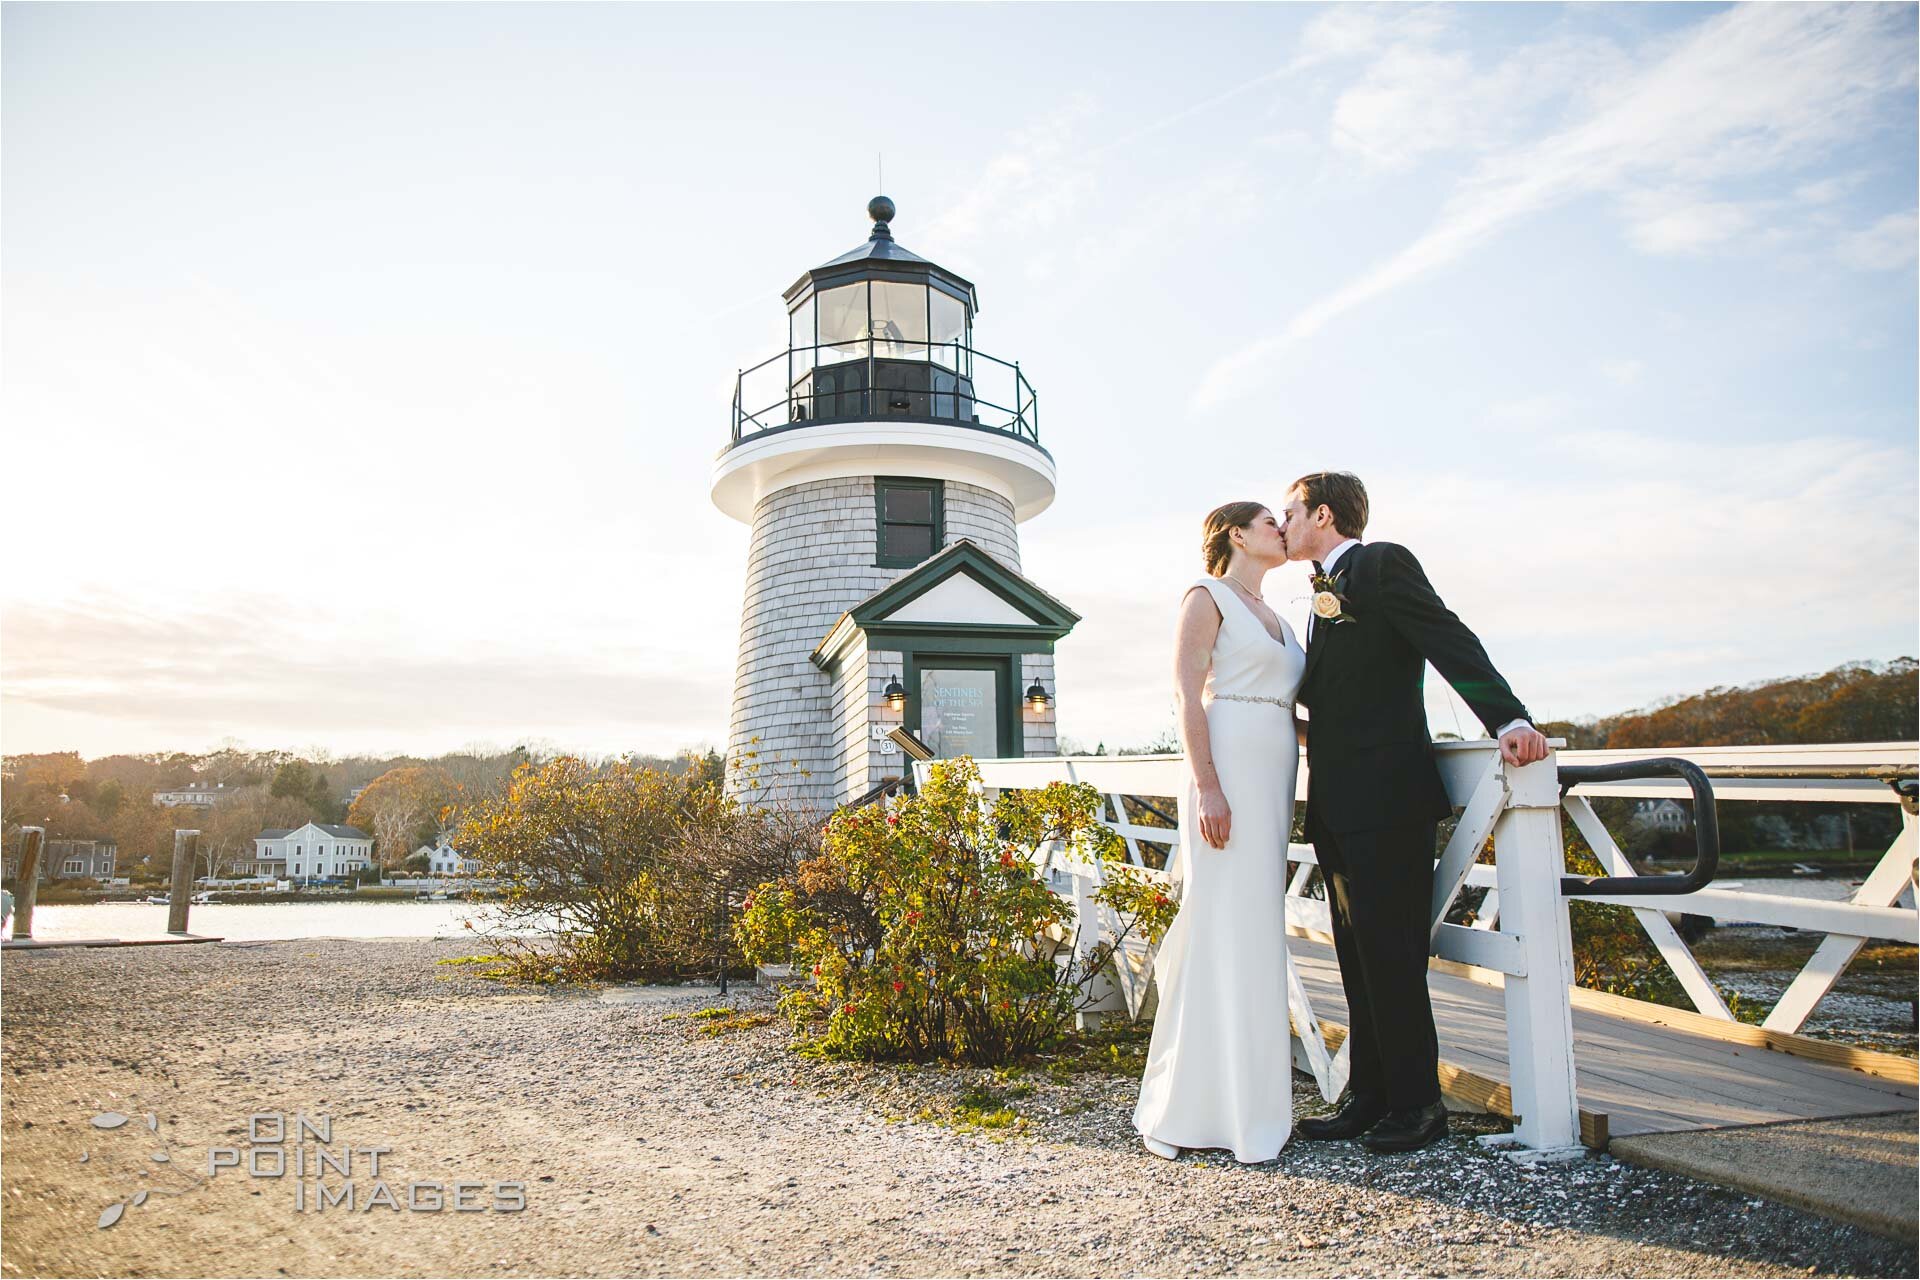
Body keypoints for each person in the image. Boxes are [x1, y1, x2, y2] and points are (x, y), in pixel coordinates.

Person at [1281, 471, 1549, 1154]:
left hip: (1388, 797)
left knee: (1393, 957)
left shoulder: (1380, 563)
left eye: (1289, 513)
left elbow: (1444, 635)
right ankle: (1369, 1097)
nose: (1282, 525)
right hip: (1339, 802)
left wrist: (1508, 718)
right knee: (1356, 957)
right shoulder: (1321, 593)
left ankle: (1419, 1104)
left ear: (1322, 514)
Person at [1132, 501, 1306, 1164]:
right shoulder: (1206, 596)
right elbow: (1186, 693)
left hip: (1273, 773)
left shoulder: (1284, 620)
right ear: (1235, 534)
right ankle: (1194, 1106)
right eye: (1268, 521)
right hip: (1226, 766)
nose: (1279, 530)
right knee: (1220, 926)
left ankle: (1253, 1107)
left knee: (1258, 930)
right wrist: (1208, 785)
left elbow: (1289, 707)